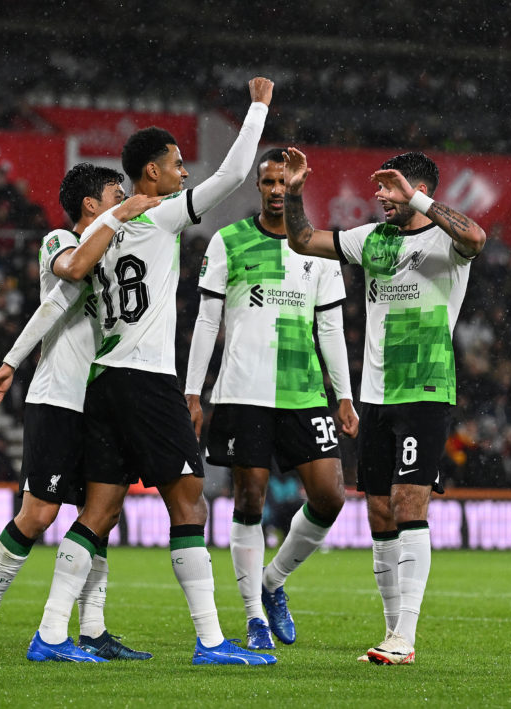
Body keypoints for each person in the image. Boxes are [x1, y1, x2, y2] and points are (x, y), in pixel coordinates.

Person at [0, 77, 279, 665]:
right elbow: (233, 175)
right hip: (146, 378)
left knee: (99, 510)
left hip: (102, 381)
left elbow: (64, 286)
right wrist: (257, 109)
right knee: (189, 505)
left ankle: (49, 635)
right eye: (175, 165)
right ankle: (213, 642)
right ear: (151, 173)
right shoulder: (162, 218)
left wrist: (10, 359)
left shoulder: (99, 231)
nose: (183, 174)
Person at [282, 147, 486, 665]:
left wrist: (418, 197)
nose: (378, 196)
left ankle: (405, 638)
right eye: (379, 189)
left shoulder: (447, 240)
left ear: (414, 190)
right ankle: (392, 631)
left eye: (388, 188)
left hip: (425, 389)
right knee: (377, 509)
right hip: (376, 395)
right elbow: (303, 239)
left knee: (409, 503)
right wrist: (295, 191)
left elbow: (476, 237)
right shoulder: (372, 239)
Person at [0, 163, 159, 660]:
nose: (127, 197)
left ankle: (92, 629)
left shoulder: (116, 253)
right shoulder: (59, 240)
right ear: (91, 205)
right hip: (57, 398)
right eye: (117, 192)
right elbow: (56, 297)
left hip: (102, 402)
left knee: (101, 514)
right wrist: (11, 361)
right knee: (39, 514)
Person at [184, 148, 358, 650]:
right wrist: (194, 390)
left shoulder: (319, 248)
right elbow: (207, 321)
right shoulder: (229, 241)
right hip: (243, 392)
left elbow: (330, 327)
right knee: (249, 500)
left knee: (329, 496)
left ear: (297, 183)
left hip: (304, 393)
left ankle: (273, 579)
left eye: (285, 181)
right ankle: (254, 617)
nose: (277, 190)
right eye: (268, 182)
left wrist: (343, 395)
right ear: (257, 186)